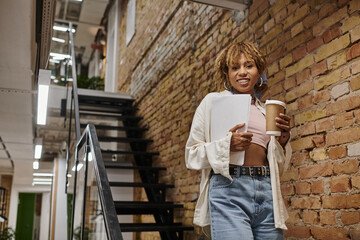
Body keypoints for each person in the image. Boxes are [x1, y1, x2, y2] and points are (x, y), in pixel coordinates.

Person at [185, 42, 292, 239]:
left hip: (267, 190)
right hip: (229, 190)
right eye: (235, 67)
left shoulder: (265, 111)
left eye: (249, 66)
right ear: (227, 74)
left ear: (259, 71)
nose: (242, 72)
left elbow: (278, 166)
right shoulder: (212, 102)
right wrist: (227, 146)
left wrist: (282, 143)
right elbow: (191, 155)